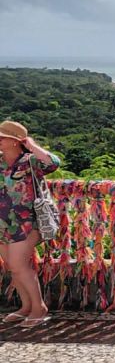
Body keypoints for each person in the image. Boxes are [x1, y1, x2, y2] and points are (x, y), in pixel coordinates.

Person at [0, 120, 60, 328]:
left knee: (19, 265)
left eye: (3, 137)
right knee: (12, 267)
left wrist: (32, 145)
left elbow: (53, 162)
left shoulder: (30, 161)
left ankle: (39, 308)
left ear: (17, 141)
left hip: (27, 223)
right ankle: (25, 307)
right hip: (2, 223)